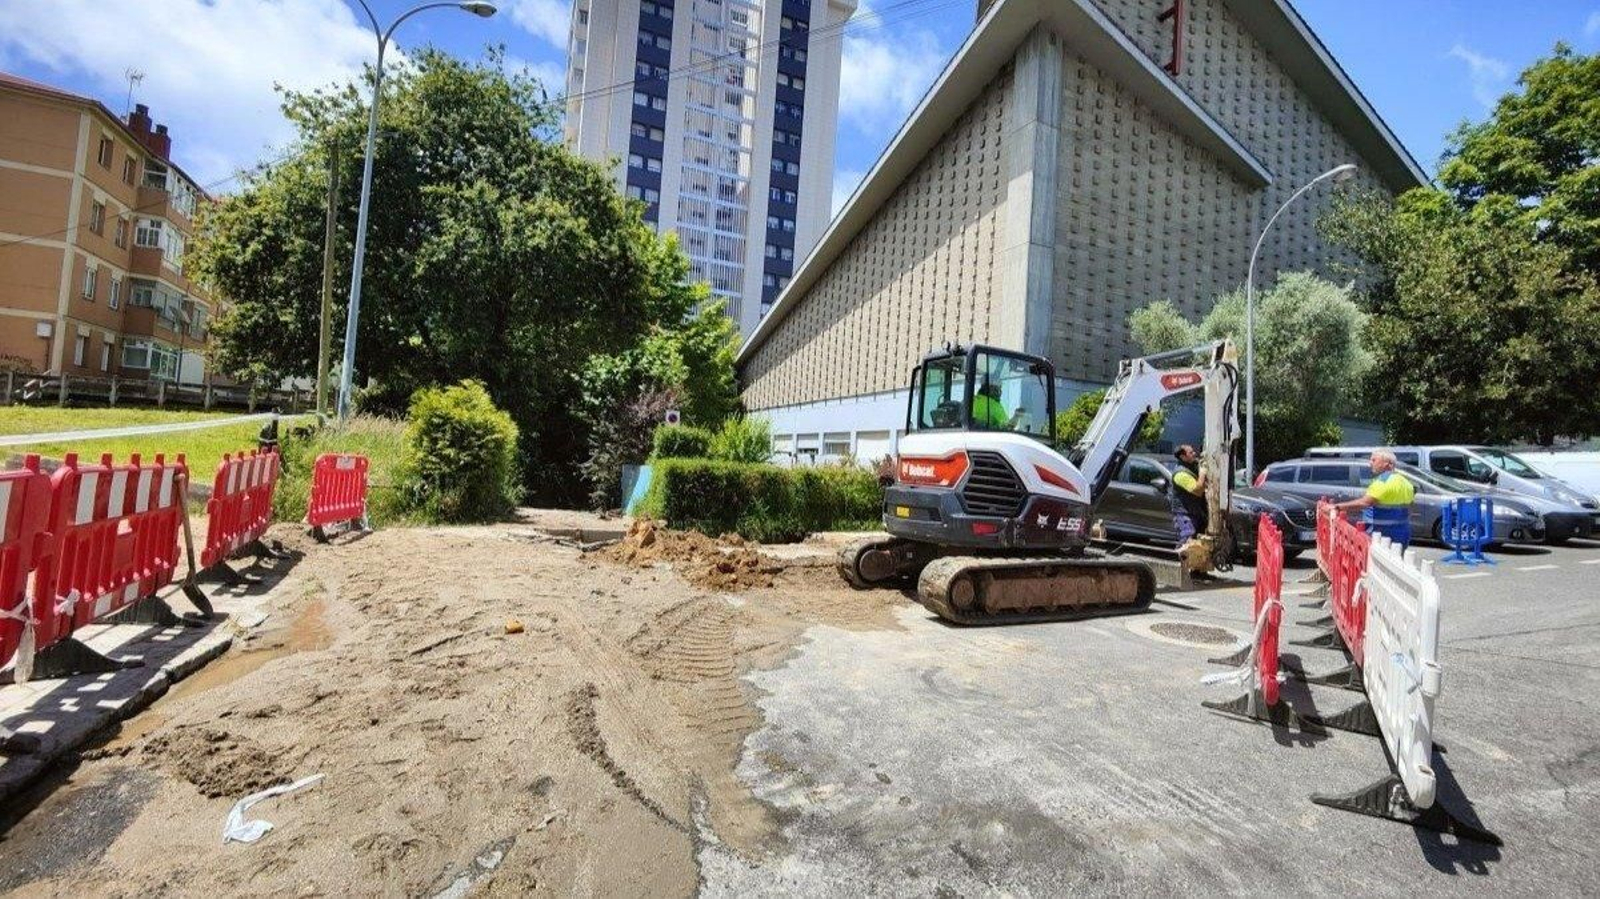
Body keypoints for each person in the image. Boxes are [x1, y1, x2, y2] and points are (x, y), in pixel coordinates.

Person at [1333, 449, 1416, 547]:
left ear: (1387, 464)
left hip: (1380, 535)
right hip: (1402, 534)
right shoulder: (1406, 483)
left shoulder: (1382, 482)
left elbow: (1364, 503)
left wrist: (1337, 507)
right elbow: (1410, 509)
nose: (1370, 463)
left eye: (1374, 460)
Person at [1168, 444, 1209, 543]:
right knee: (1187, 544)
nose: (1194, 454)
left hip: (1195, 513)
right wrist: (1203, 473)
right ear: (1183, 457)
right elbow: (1198, 491)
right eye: (1191, 453)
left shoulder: (1191, 466)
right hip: (1185, 515)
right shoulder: (1180, 474)